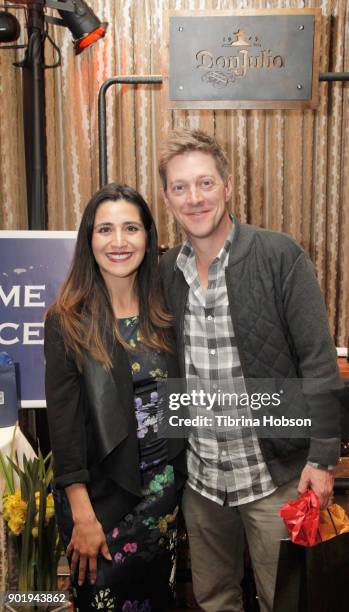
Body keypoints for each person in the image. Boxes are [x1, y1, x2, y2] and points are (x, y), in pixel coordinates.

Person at [158, 129, 343, 611]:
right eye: (180, 187)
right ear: (167, 196)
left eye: (205, 183)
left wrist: (322, 458)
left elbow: (319, 362)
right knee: (214, 600)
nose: (194, 198)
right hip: (201, 482)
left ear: (228, 185)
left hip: (273, 476)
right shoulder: (164, 274)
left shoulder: (279, 255)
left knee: (283, 600)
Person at [44, 183, 185, 611]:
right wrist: (83, 516)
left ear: (149, 237)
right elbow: (64, 431)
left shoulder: (165, 313)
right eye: (105, 229)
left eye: (131, 228)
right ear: (89, 240)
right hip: (101, 505)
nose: (119, 242)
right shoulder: (67, 321)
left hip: (163, 503)